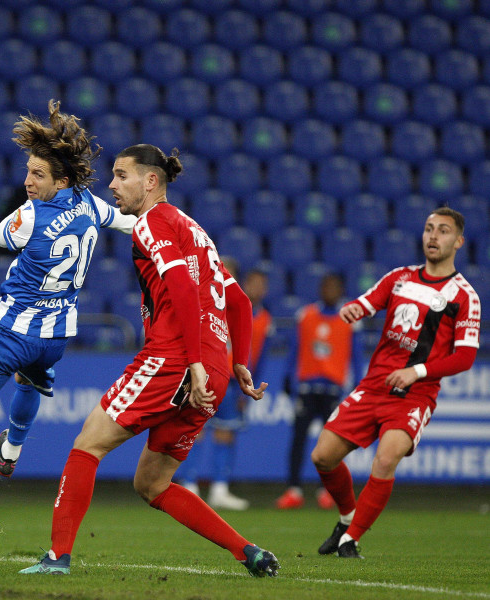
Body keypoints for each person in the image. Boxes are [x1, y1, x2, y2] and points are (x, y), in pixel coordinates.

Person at [20, 144, 279, 577]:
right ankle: (249, 552)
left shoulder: (152, 223)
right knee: (152, 483)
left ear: (150, 181)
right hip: (212, 369)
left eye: (122, 176)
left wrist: (193, 360)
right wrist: (237, 363)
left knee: (88, 444)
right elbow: (239, 302)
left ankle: (57, 558)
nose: (113, 184)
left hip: (177, 358)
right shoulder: (196, 231)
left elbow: (179, 282)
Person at [0, 100, 136, 563]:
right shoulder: (91, 202)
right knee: (31, 379)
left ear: (60, 180)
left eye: (37, 175)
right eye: (27, 173)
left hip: (9, 331)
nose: (28, 183)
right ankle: (12, 447)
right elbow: (128, 222)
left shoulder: (30, 214)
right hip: (55, 337)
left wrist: (30, 213)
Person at [312, 207, 480, 558]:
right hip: (374, 385)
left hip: (414, 393)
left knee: (386, 460)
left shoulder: (464, 296)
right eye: (429, 229)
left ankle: (351, 540)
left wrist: (416, 371)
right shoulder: (400, 277)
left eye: (444, 231)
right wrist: (354, 309)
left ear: (459, 241)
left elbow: (464, 357)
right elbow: (368, 301)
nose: (433, 236)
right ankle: (347, 518)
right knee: (322, 457)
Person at [176, 264, 274, 510]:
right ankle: (189, 485)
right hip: (201, 375)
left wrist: (248, 383)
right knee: (194, 430)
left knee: (225, 433)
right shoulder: (200, 302)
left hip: (230, 379)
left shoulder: (239, 309)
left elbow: (255, 353)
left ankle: (219, 489)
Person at [276, 273, 362, 510]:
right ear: (321, 289)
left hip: (333, 389)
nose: (329, 291)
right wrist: (287, 376)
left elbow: (355, 357)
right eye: (326, 286)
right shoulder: (306, 315)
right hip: (307, 387)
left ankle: (328, 491)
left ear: (341, 290)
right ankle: (293, 490)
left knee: (332, 445)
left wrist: (359, 385)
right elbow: (295, 349)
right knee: (298, 439)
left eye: (334, 287)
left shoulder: (351, 319)